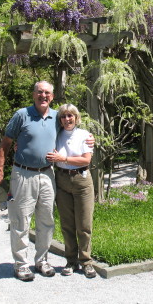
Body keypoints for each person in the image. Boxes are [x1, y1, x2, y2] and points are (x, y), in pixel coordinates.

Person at [0, 81, 93, 282]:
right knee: (21, 220)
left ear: (52, 96)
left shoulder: (57, 116)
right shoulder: (22, 115)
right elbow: (6, 143)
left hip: (48, 174)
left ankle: (42, 260)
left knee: (46, 219)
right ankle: (21, 264)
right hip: (23, 173)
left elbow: (72, 131)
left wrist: (90, 139)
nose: (43, 96)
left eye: (47, 93)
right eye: (40, 92)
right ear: (34, 95)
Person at [46, 104, 97, 278]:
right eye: (63, 116)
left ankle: (86, 261)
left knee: (84, 225)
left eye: (70, 116)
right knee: (67, 225)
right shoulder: (56, 135)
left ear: (76, 117)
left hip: (81, 181)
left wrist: (63, 158)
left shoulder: (84, 135)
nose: (67, 119)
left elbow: (86, 160)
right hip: (61, 180)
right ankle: (71, 261)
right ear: (59, 119)